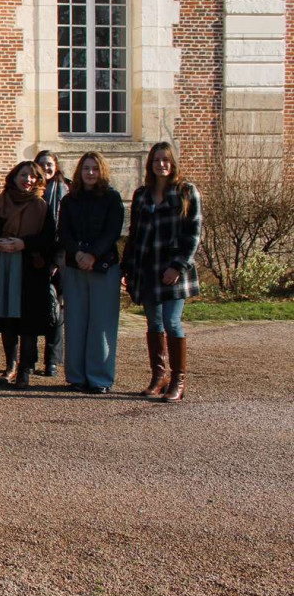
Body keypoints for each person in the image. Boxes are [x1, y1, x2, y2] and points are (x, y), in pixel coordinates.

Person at [122, 142, 202, 403]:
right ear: (150, 164)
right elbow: (134, 234)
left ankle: (178, 379)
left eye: (166, 160)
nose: (161, 165)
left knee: (172, 322)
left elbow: (194, 234)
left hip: (174, 270)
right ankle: (159, 376)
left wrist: (178, 266)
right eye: (157, 160)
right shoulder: (142, 194)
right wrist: (127, 267)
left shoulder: (187, 192)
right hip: (148, 268)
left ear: (173, 162)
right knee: (154, 323)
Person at [0, 161, 56, 389]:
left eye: (33, 176)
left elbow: (49, 239)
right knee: (6, 318)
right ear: (14, 177)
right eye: (24, 175)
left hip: (30, 270)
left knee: (28, 321)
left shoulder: (42, 206)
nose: (28, 180)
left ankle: (24, 369)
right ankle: (10, 366)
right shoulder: (0, 202)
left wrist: (24, 243)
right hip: (3, 265)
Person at [59, 152, 124, 394]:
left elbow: (113, 231)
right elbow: (63, 231)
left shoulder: (112, 198)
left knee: (102, 323)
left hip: (104, 265)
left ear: (101, 172)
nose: (90, 173)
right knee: (75, 321)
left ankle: (99, 378)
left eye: (94, 169)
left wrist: (93, 254)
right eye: (86, 168)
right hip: (75, 266)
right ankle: (76, 376)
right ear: (79, 171)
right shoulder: (69, 200)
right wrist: (77, 253)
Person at [35, 149, 70, 378]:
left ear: (56, 166)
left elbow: (66, 229)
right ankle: (30, 359)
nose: (46, 168)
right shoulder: (31, 190)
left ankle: (52, 360)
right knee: (35, 309)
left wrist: (56, 260)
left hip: (60, 259)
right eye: (42, 165)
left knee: (55, 311)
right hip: (35, 257)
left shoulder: (65, 191)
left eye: (50, 164)